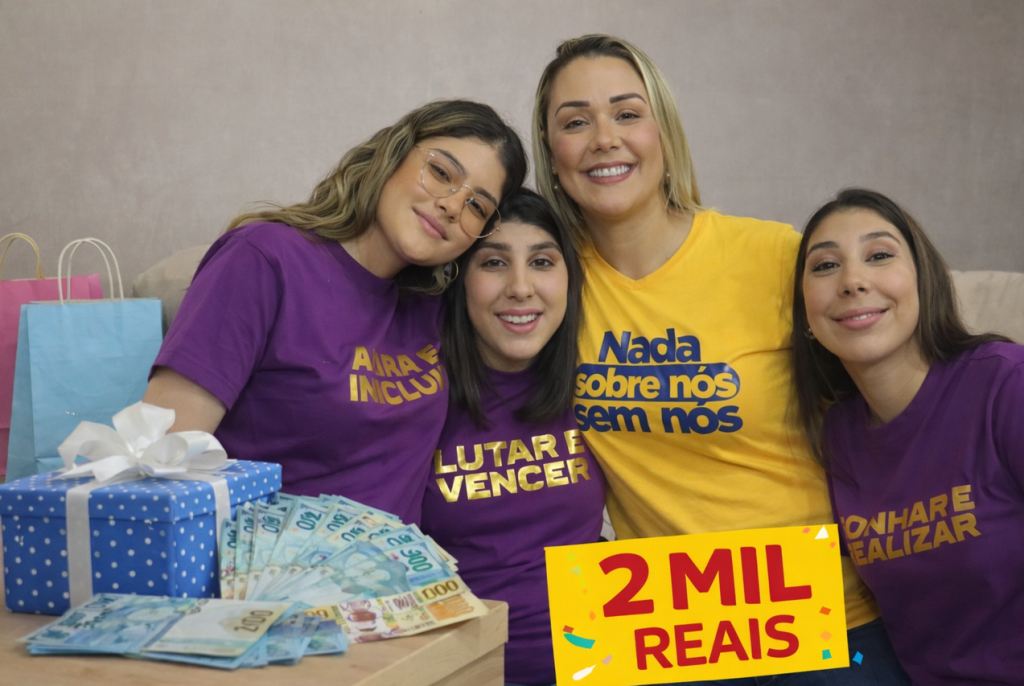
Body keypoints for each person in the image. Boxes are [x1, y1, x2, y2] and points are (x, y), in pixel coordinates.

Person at [531, 35, 909, 683]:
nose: (604, 138)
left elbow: (903, 399)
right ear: (551, 152)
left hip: (819, 619)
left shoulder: (775, 256)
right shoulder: (545, 286)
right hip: (660, 632)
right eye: (575, 122)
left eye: (627, 113)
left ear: (663, 132)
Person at [143, 100, 527, 524]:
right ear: (394, 153)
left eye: (477, 207)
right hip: (267, 558)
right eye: (441, 173)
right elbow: (161, 461)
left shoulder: (437, 305)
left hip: (402, 563)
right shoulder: (264, 259)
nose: (453, 206)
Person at [793, 188, 1023, 685]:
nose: (853, 281)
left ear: (924, 280)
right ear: (806, 317)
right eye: (826, 266)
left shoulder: (1006, 384)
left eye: (879, 256)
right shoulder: (835, 437)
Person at [420, 189, 605, 686]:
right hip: (460, 672)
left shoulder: (599, 390)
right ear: (460, 280)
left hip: (597, 666)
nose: (521, 287)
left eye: (542, 262)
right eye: (494, 263)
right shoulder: (417, 396)